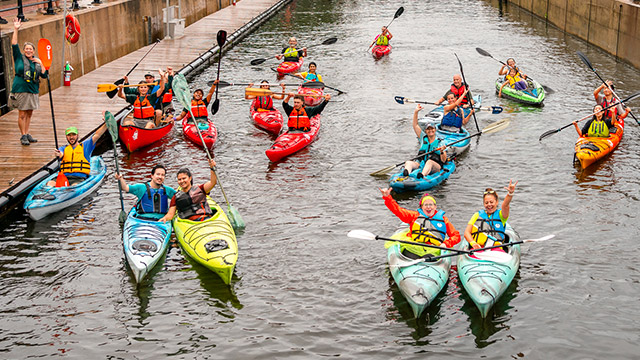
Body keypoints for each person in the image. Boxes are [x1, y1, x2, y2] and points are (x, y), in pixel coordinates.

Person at [380, 188, 460, 257]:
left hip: (434, 249)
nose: (428, 207)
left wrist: (446, 244)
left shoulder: (444, 220)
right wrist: (387, 197)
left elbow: (456, 236)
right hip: (414, 246)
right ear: (421, 207)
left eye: (430, 205)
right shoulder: (414, 216)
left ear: (435, 206)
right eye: (426, 205)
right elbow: (398, 210)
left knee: (429, 257)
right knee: (408, 253)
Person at [10, 18, 48, 146]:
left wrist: (41, 63)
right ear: (24, 50)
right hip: (21, 88)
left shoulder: (37, 61)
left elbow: (44, 75)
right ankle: (22, 135)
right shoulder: (19, 58)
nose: (28, 50)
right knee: (22, 113)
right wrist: (16, 29)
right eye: (26, 49)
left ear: (33, 51)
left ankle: (27, 132)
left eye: (30, 49)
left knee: (29, 113)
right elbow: (14, 44)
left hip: (33, 89)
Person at [46, 120, 108, 186]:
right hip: (64, 177)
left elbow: (97, 135)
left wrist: (106, 124)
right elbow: (61, 154)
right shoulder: (63, 148)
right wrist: (58, 154)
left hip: (79, 178)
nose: (71, 137)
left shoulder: (86, 146)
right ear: (66, 137)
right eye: (69, 135)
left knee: (74, 186)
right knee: (50, 183)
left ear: (77, 135)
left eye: (73, 135)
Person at [464, 180, 518, 251]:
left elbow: (505, 205)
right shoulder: (477, 215)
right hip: (479, 248)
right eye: (486, 203)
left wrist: (510, 193)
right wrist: (473, 243)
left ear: (497, 202)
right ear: (483, 204)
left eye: (491, 202)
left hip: (496, 249)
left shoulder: (501, 216)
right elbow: (467, 232)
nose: (489, 204)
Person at [402, 104, 448, 179]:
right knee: (408, 162)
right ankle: (406, 175)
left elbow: (443, 160)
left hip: (435, 166)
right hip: (421, 163)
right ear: (425, 131)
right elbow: (415, 125)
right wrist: (416, 112)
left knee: (429, 162)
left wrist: (442, 152)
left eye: (432, 129)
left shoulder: (440, 142)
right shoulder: (423, 137)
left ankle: (422, 176)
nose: (430, 131)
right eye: (428, 129)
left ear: (435, 129)